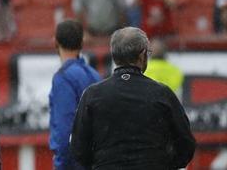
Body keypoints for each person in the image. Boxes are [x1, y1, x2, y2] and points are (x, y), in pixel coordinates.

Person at [70, 28, 196, 169]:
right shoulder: (162, 94)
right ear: (142, 55)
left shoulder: (92, 94)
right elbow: (186, 144)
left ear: (114, 55)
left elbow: (78, 148)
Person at [48, 20, 101, 170]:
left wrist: (61, 165)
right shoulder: (94, 75)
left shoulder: (64, 78)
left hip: (74, 164)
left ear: (56, 42)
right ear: (81, 42)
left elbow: (65, 129)